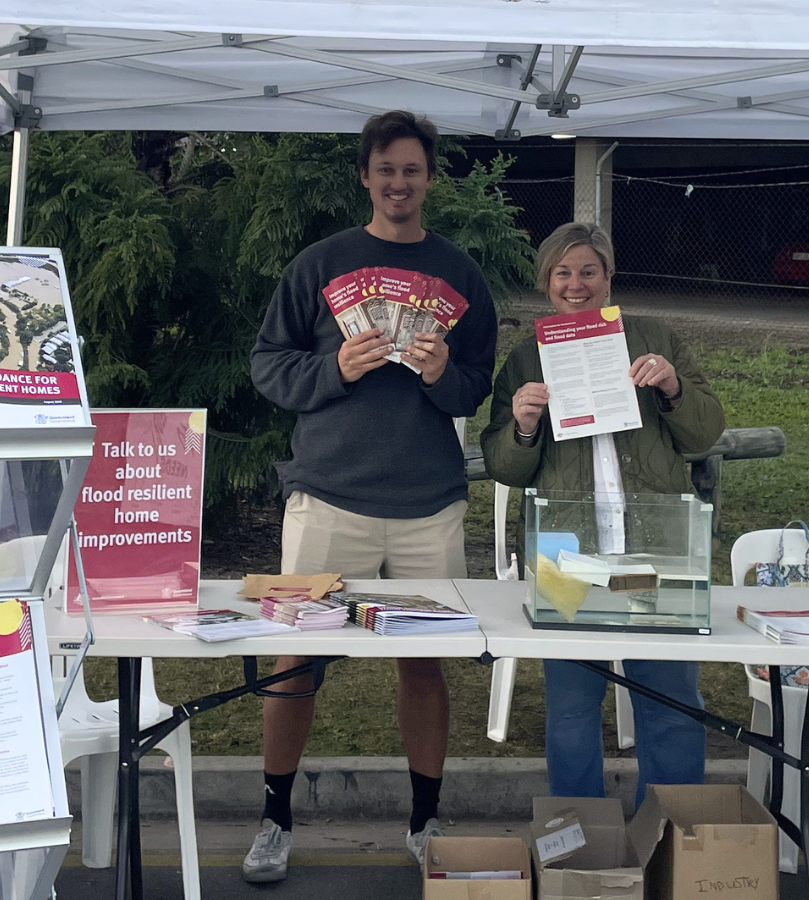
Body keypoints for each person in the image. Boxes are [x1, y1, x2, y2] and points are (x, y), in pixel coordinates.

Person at [244, 111, 497, 881]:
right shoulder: (320, 264)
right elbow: (267, 365)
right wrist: (336, 371)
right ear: (366, 175)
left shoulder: (460, 273)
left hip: (430, 505)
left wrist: (437, 375)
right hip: (328, 501)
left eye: (412, 170)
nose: (398, 183)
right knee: (298, 661)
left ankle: (426, 821)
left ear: (429, 179)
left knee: (424, 665)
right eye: (386, 169)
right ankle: (274, 817)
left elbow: (474, 385)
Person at [480, 222, 725, 804]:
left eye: (589, 271)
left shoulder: (653, 336)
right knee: (571, 708)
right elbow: (503, 466)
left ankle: (667, 837)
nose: (576, 284)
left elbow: (705, 433)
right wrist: (522, 425)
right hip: (566, 552)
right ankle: (582, 840)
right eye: (562, 273)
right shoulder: (524, 357)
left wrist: (673, 390)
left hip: (656, 545)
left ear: (609, 278)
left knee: (669, 701)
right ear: (547, 283)